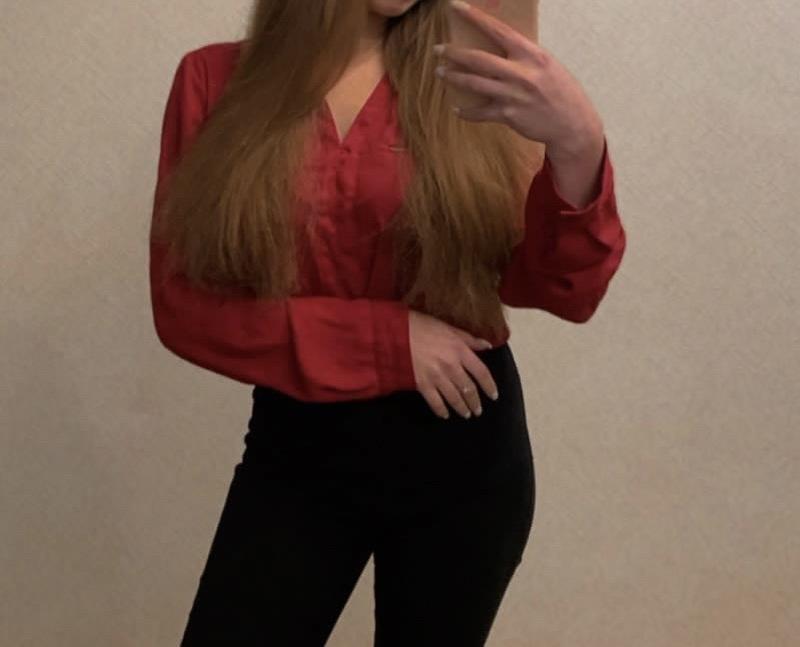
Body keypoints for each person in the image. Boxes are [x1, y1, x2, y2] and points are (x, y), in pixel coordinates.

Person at [148, 1, 625, 644]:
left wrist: (577, 145)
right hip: (298, 449)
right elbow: (184, 306)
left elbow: (564, 292)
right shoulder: (217, 82)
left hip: (463, 449)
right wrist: (386, 342)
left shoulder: (472, 81)